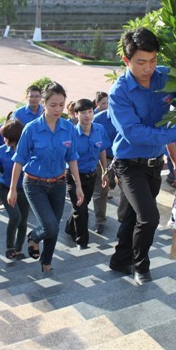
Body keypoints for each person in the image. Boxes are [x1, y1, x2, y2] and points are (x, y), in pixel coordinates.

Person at [108, 28, 176, 285]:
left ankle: (119, 259)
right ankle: (141, 266)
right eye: (141, 62)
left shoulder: (165, 77)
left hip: (154, 163)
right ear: (127, 60)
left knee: (133, 217)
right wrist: (175, 134)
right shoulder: (119, 92)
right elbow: (134, 133)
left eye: (153, 60)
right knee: (149, 217)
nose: (148, 68)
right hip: (128, 163)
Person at [7, 82, 84, 273]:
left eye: (61, 104)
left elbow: (72, 157)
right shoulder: (31, 129)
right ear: (43, 103)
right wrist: (11, 189)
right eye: (53, 105)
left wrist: (78, 186)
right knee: (49, 226)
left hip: (58, 183)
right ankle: (34, 236)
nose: (58, 109)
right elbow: (19, 159)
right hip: (34, 184)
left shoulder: (68, 128)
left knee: (54, 227)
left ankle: (47, 263)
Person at [64, 99, 111, 249]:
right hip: (74, 176)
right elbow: (70, 159)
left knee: (81, 207)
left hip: (91, 175)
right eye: (83, 112)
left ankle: (69, 227)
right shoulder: (71, 134)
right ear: (76, 114)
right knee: (81, 209)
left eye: (90, 112)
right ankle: (82, 241)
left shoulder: (99, 129)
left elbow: (102, 149)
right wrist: (77, 184)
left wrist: (104, 171)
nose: (87, 116)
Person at [0, 119, 30, 259]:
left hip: (24, 189)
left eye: (7, 137)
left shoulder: (28, 150)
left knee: (23, 221)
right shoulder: (1, 151)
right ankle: (9, 246)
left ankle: (19, 248)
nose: (4, 139)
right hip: (6, 189)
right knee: (15, 216)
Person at [92, 106, 117, 234]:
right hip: (104, 158)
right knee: (100, 191)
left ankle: (125, 219)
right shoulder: (99, 119)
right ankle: (100, 221)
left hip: (125, 157)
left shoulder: (129, 115)